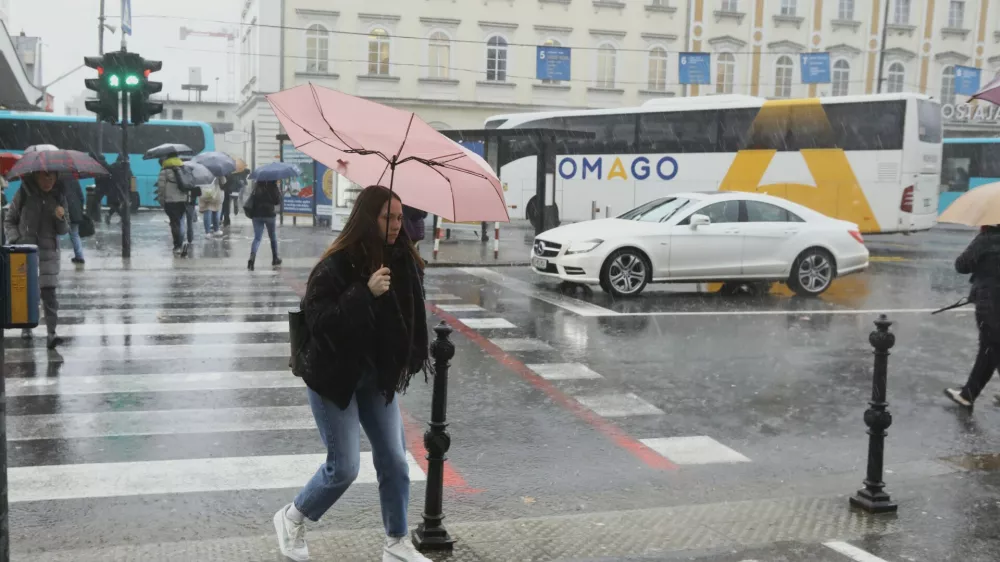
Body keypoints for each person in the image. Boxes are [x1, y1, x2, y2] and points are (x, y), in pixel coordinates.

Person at [273, 185, 431, 562]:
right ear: (367, 217)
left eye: (398, 218)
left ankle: (396, 542)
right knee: (344, 467)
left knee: (394, 460)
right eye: (387, 218)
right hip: (334, 376)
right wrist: (365, 291)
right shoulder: (337, 263)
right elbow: (320, 320)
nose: (396, 226)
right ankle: (292, 516)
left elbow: (409, 317)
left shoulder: (402, 259)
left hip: (375, 377)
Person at [4, 171, 70, 349]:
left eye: (52, 177)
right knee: (26, 293)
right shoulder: (24, 193)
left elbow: (64, 230)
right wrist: (17, 241)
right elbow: (9, 220)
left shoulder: (59, 195)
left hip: (49, 253)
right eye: (44, 176)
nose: (48, 181)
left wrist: (61, 217)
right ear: (36, 176)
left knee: (49, 295)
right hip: (25, 254)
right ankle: (26, 327)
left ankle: (51, 333)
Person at [945, 225, 1000, 409]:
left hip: (990, 300)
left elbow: (962, 265)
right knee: (992, 347)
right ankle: (968, 394)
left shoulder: (988, 238)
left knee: (990, 347)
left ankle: (968, 395)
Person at [155, 154, 189, 256]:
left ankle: (177, 245)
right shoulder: (183, 169)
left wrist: (161, 201)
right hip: (183, 200)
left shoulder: (164, 171)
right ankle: (182, 241)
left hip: (170, 201)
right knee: (179, 221)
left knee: (174, 223)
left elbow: (161, 188)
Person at [246, 180, 282, 271]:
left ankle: (252, 257)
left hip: (257, 215)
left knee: (257, 238)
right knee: (272, 237)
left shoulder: (256, 187)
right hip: (269, 215)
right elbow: (277, 202)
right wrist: (278, 192)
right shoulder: (273, 187)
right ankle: (275, 258)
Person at [61, 173, 86, 264]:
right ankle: (79, 256)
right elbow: (81, 197)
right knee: (75, 234)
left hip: (64, 210)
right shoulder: (74, 179)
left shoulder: (58, 181)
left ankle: (55, 255)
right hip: (75, 211)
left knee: (54, 233)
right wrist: (80, 209)